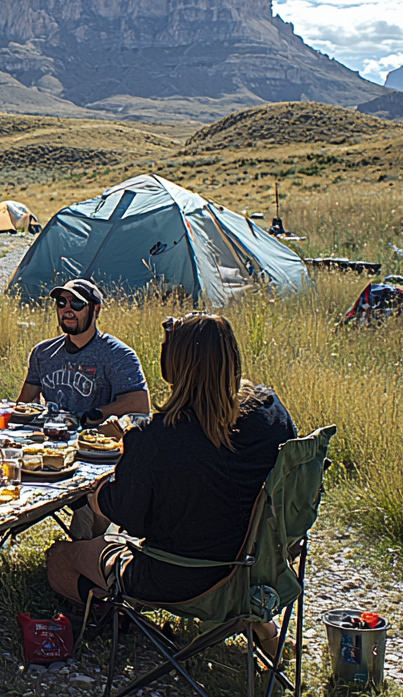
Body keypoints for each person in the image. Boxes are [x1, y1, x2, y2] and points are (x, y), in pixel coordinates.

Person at [45, 313, 298, 648]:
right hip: (258, 568)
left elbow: (126, 516)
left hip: (177, 580)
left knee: (60, 559)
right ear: (232, 358)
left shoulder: (158, 437)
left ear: (173, 368)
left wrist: (98, 492)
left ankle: (117, 614)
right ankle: (263, 627)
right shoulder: (270, 414)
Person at [17, 278, 149, 423]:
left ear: (96, 309)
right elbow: (24, 404)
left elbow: (139, 403)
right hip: (50, 437)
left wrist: (95, 415)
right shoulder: (43, 352)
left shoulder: (118, 355)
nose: (67, 309)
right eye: (61, 303)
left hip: (93, 440)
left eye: (77, 303)